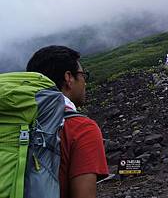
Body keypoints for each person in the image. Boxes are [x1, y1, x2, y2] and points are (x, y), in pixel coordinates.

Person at [26, 45, 109, 198]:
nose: (85, 82)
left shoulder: (13, 121)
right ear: (68, 78)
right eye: (83, 75)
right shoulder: (82, 128)